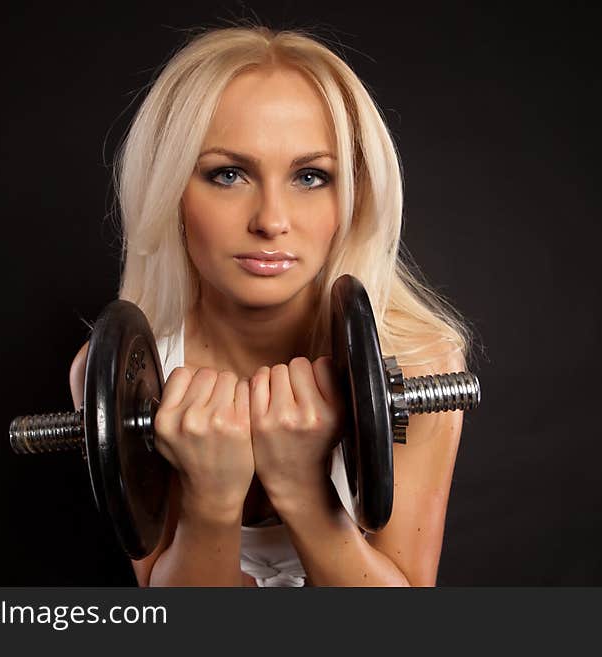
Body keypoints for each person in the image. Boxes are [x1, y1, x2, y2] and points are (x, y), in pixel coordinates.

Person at [69, 23, 473, 587]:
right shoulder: (115, 375)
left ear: (353, 195)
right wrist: (211, 501)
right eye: (228, 174)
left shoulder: (422, 361)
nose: (272, 221)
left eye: (310, 177)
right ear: (170, 190)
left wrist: (305, 492)